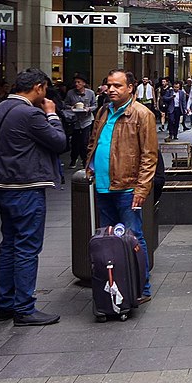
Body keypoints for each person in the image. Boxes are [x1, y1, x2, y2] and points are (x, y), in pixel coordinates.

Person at [0, 68, 68, 326]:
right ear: (38, 87)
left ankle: (5, 305)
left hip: (1, 185)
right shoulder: (30, 113)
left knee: (8, 244)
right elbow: (58, 142)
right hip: (26, 186)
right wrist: (52, 115)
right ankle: (24, 307)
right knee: (27, 247)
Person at [88, 69, 158, 303]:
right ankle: (114, 283)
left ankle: (142, 287)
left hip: (127, 189)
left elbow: (149, 156)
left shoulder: (141, 114)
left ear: (130, 88)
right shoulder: (103, 111)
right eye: (109, 85)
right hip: (103, 187)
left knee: (133, 237)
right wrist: (90, 166)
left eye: (118, 85)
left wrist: (142, 188)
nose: (112, 89)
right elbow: (95, 141)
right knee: (107, 240)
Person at [64, 74, 97, 168]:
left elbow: (95, 105)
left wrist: (89, 109)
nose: (76, 84)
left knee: (84, 142)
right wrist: (72, 107)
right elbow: (65, 104)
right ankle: (73, 159)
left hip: (86, 120)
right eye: (75, 82)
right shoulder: (70, 93)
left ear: (84, 83)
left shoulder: (90, 93)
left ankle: (85, 160)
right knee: (75, 141)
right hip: (75, 120)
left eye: (79, 82)